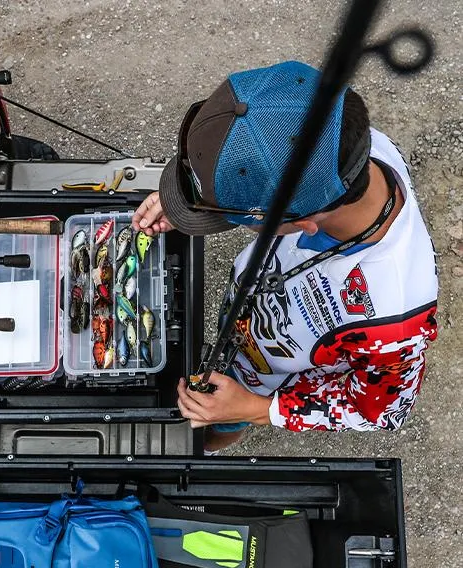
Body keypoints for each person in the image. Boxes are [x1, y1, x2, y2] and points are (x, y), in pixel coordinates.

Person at [132, 60, 438, 453]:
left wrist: (257, 408)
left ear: (305, 222)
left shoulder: (395, 322)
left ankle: (217, 440)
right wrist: (195, 198)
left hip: (267, 372)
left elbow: (379, 411)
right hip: (250, 307)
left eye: (236, 218)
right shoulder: (348, 140)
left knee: (222, 421)